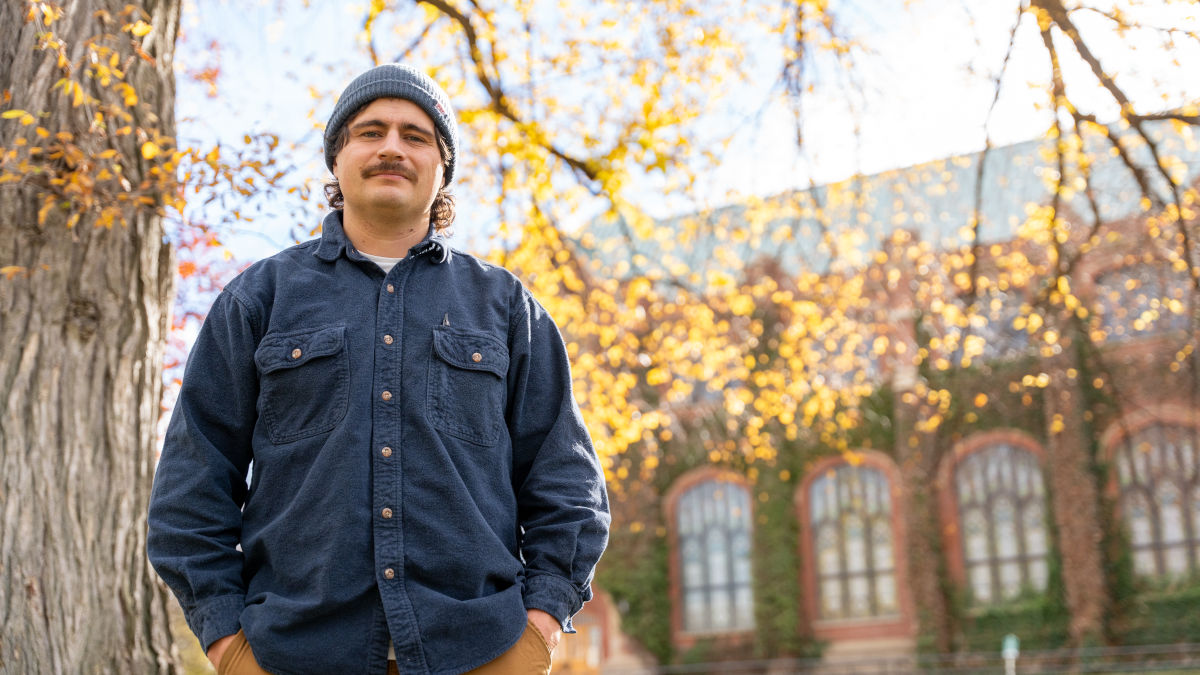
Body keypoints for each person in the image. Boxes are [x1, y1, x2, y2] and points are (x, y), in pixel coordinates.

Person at [148, 63, 610, 675]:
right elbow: (190, 487)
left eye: (415, 136)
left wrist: (541, 628)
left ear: (441, 170)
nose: (392, 146)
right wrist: (229, 647)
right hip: (293, 653)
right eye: (370, 131)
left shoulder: (506, 308)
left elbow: (567, 486)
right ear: (337, 161)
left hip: (483, 651)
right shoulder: (259, 300)